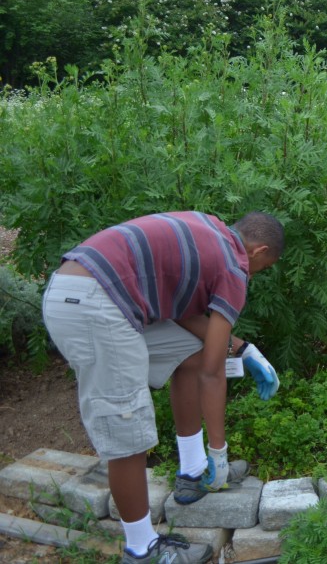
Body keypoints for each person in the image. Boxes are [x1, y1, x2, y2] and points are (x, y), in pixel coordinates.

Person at [41, 211, 284, 564]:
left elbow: (180, 316)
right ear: (259, 251)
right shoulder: (234, 268)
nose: (255, 273)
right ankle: (143, 550)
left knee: (192, 353)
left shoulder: (209, 229)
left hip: (89, 290)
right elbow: (213, 374)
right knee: (128, 427)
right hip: (94, 306)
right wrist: (219, 451)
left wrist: (243, 349)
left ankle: (193, 472)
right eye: (264, 267)